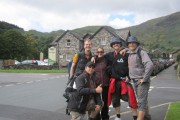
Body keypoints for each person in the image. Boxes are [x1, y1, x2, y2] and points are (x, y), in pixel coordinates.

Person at [103, 37, 138, 120]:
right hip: (114, 82)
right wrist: (94, 57)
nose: (116, 44)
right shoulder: (109, 55)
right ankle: (118, 117)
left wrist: (129, 77)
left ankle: (135, 118)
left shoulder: (126, 54)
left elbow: (133, 66)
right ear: (112, 45)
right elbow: (100, 57)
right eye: (114, 43)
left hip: (124, 82)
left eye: (117, 43)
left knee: (131, 100)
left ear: (120, 44)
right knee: (115, 101)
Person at [127, 36, 154, 120]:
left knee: (141, 102)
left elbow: (150, 65)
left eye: (133, 43)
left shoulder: (141, 52)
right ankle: (147, 117)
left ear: (136, 44)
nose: (131, 44)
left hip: (141, 81)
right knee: (142, 101)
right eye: (129, 43)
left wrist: (144, 78)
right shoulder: (130, 53)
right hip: (134, 81)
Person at [94, 47, 110, 120]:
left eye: (101, 52)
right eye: (98, 52)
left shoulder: (106, 60)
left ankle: (105, 117)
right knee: (97, 102)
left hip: (105, 85)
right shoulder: (93, 60)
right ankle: (97, 117)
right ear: (96, 53)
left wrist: (123, 49)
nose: (99, 53)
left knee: (105, 102)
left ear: (103, 52)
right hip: (96, 85)